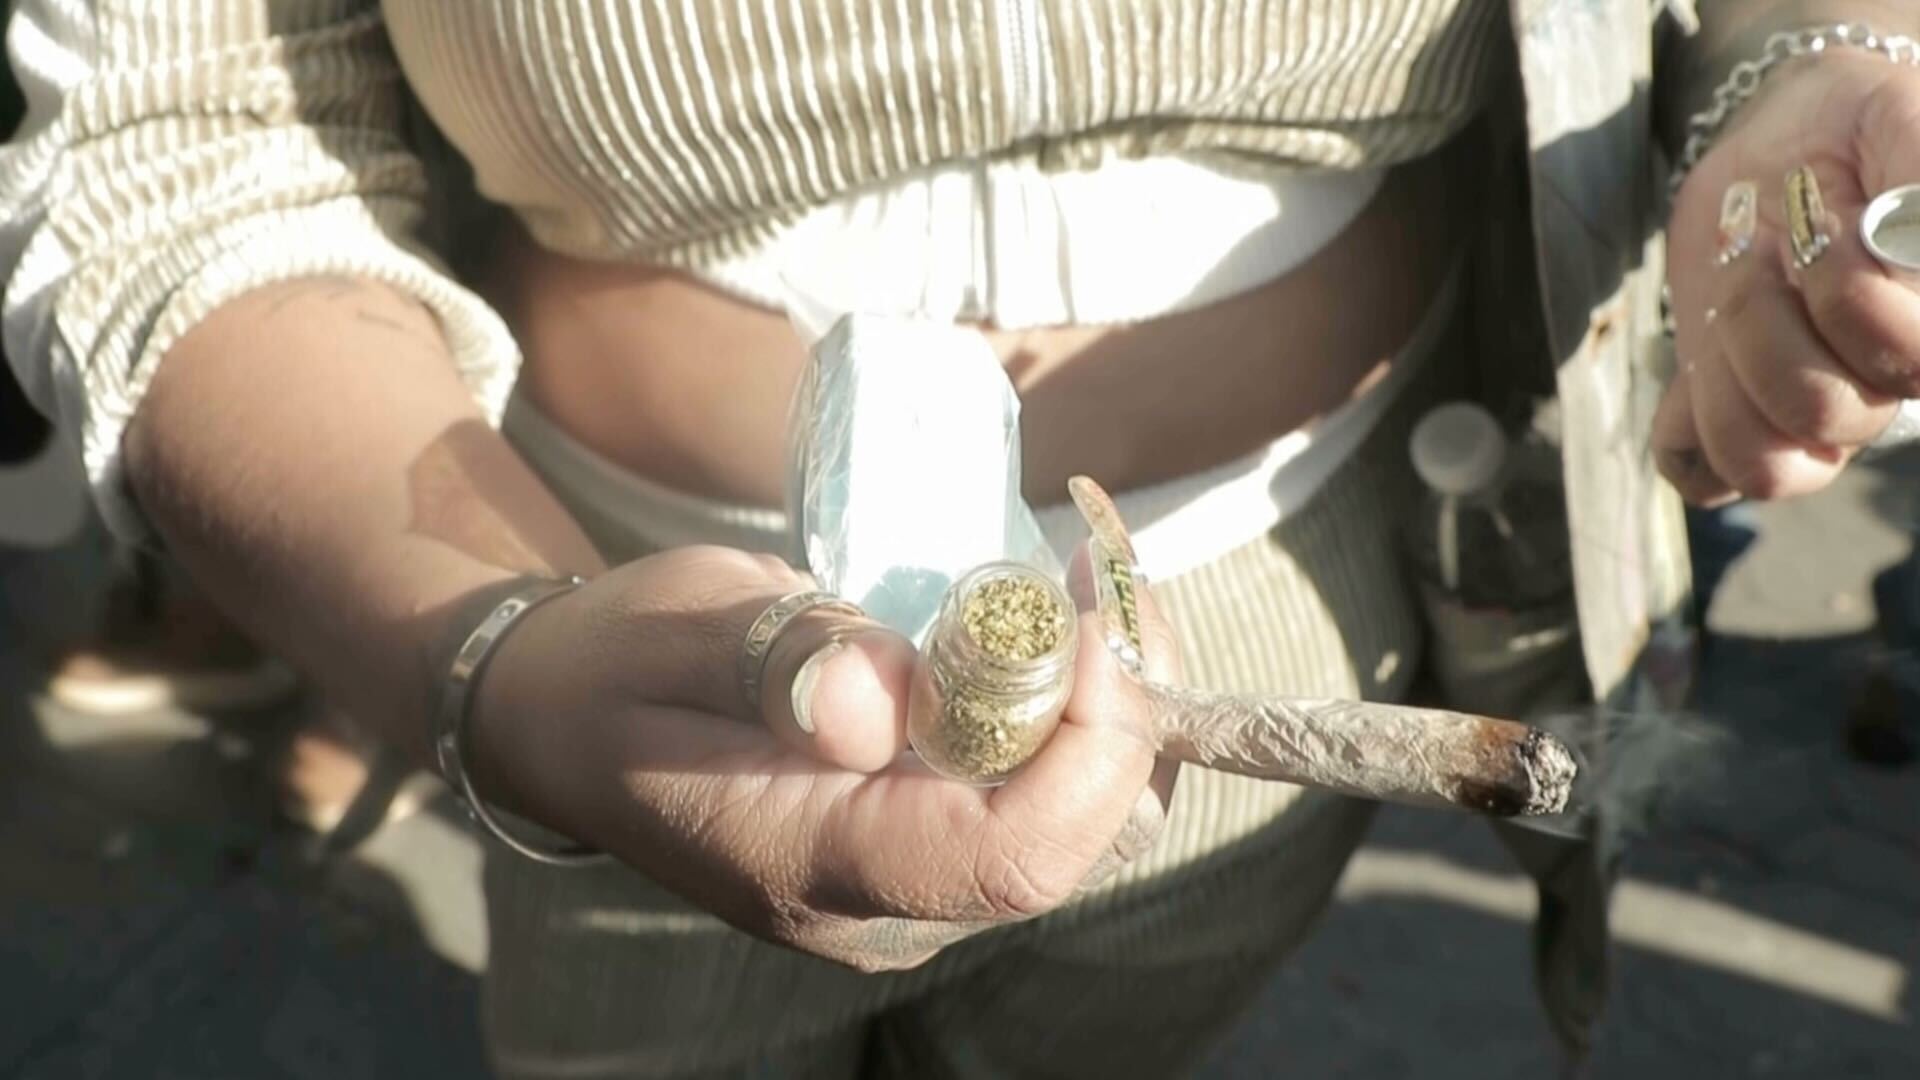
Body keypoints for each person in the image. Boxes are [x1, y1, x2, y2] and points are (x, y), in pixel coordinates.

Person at [2, 1, 1916, 1076]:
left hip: (1296, 607)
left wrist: (1809, 76)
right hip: (635, 657)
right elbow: (180, 136)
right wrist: (503, 662)